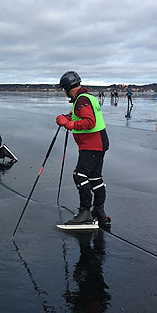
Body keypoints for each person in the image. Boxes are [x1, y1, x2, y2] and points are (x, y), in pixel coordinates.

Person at [56, 71, 110, 226]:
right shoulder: (87, 98)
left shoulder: (81, 100)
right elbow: (79, 115)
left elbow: (89, 121)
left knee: (80, 175)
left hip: (92, 144)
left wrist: (69, 124)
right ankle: (99, 211)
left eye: (63, 89)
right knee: (94, 177)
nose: (64, 92)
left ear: (67, 88)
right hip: (100, 142)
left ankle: (85, 212)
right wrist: (67, 117)